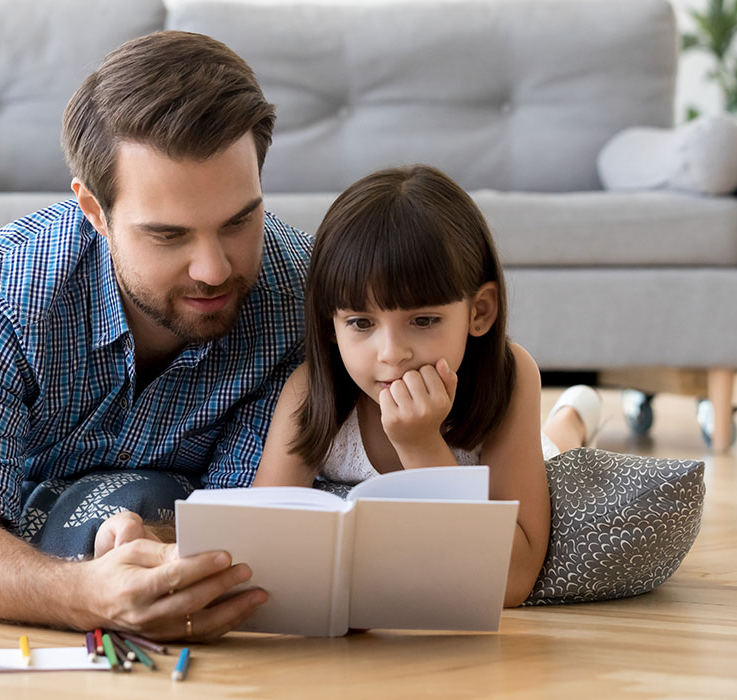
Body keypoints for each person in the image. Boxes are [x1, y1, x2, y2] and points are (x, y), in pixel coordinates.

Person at [0, 31, 313, 641]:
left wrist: (154, 545)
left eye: (239, 221)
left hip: (168, 489)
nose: (215, 270)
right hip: (19, 453)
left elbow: (253, 510)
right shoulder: (5, 285)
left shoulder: (301, 295)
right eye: (169, 236)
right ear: (95, 212)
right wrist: (86, 594)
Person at [252, 165, 603, 607]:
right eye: (361, 323)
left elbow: (513, 581)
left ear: (480, 312)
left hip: (527, 450)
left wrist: (420, 445)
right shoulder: (309, 392)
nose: (391, 353)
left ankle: (575, 413)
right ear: (330, 323)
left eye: (423, 321)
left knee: (555, 441)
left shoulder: (511, 376)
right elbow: (260, 532)